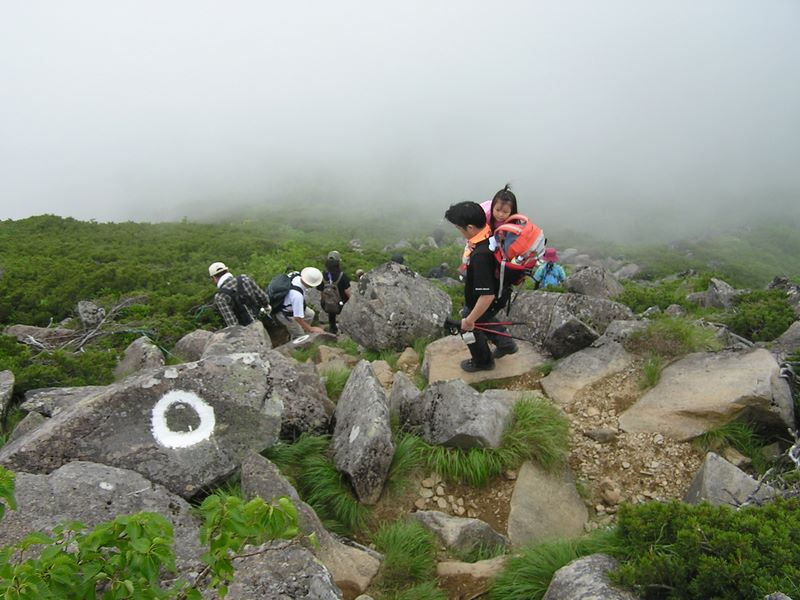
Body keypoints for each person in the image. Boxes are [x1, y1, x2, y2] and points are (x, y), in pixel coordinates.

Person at [444, 201, 504, 372]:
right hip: (495, 294)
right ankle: (505, 343)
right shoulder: (489, 234)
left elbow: (487, 295)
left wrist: (470, 320)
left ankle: (483, 362)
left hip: (482, 300)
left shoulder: (480, 256)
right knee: (483, 321)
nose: (459, 231)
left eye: (459, 228)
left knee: (470, 330)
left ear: (470, 228)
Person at [208, 261, 271, 327]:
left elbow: (232, 323)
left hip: (247, 331)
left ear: (214, 278)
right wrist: (266, 306)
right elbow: (264, 298)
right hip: (260, 321)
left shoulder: (220, 296)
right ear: (227, 271)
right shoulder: (245, 278)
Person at [274, 266, 325, 339]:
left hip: (288, 304)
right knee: (300, 336)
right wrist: (311, 328)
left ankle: (302, 330)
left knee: (310, 314)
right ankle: (295, 337)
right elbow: (297, 317)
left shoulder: (297, 275)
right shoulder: (297, 295)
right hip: (285, 313)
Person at [319, 250, 352, 334]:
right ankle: (345, 330)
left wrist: (324, 301)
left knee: (331, 306)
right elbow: (348, 293)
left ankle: (332, 329)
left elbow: (321, 291)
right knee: (343, 306)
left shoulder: (322, 275)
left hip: (326, 305)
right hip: (341, 305)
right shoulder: (342, 276)